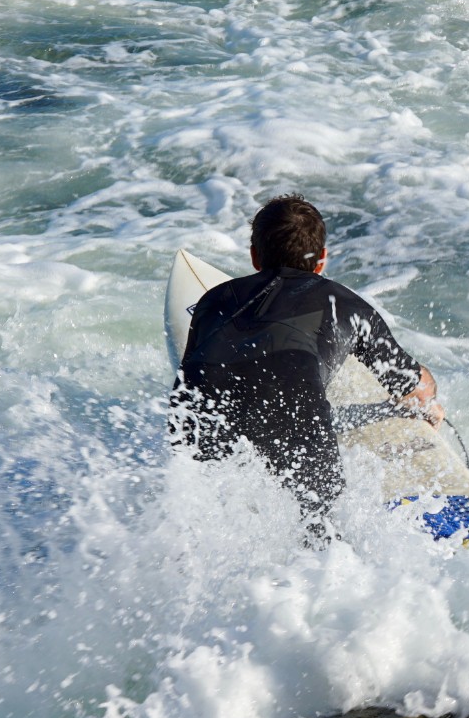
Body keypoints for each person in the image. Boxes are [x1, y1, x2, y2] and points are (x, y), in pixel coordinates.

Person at [168, 194, 443, 521]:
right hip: (294, 412)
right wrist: (430, 403)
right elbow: (412, 385)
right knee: (319, 535)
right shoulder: (345, 304)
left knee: (202, 526)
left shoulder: (212, 300)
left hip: (199, 415)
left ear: (255, 256)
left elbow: (190, 368)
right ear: (322, 259)